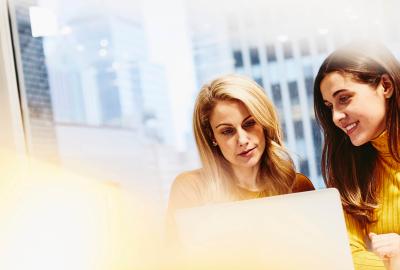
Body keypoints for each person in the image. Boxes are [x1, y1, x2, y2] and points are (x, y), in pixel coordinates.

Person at [167, 74, 314, 242]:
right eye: (227, 131)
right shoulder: (191, 188)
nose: (243, 140)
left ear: (264, 123)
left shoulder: (296, 186)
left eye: (249, 124)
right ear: (212, 137)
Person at [313, 41, 400, 270]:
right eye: (329, 106)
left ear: (386, 85)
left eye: (344, 98)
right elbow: (348, 256)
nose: (336, 117)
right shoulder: (348, 173)